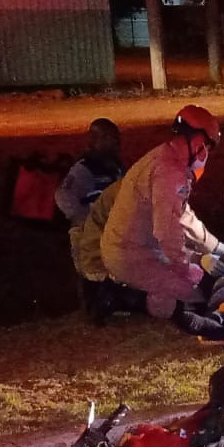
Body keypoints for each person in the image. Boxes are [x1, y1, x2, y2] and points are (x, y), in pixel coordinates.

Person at [99, 105, 224, 320]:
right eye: (207, 147)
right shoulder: (169, 171)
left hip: (138, 247)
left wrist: (217, 248)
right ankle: (120, 297)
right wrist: (189, 268)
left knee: (196, 283)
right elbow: (166, 231)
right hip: (129, 254)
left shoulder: (170, 161)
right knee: (195, 295)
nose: (206, 154)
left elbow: (183, 216)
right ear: (197, 141)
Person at [55, 118, 126, 322]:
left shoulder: (115, 167)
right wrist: (85, 220)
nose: (117, 143)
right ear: (96, 139)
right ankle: (91, 313)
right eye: (111, 138)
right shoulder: (84, 169)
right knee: (89, 274)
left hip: (108, 228)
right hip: (88, 230)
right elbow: (63, 196)